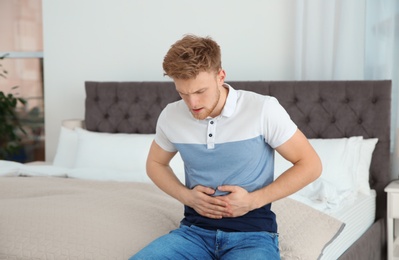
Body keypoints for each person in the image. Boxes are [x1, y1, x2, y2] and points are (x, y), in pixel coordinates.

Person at [130, 34, 322, 260]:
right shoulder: (171, 116)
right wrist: (187, 196)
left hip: (253, 235)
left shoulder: (262, 109)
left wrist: (253, 200)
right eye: (183, 93)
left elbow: (310, 165)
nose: (192, 104)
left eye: (200, 92)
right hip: (193, 234)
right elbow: (155, 163)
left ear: (221, 76)